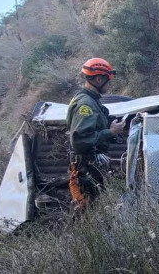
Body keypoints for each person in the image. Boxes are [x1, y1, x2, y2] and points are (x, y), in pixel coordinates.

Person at [66, 58, 125, 210]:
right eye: (108, 80)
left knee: (94, 207)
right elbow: (79, 141)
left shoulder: (89, 100)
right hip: (88, 167)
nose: (110, 84)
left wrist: (109, 125)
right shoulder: (86, 104)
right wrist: (111, 131)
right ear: (99, 79)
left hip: (91, 165)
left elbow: (93, 127)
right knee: (92, 209)